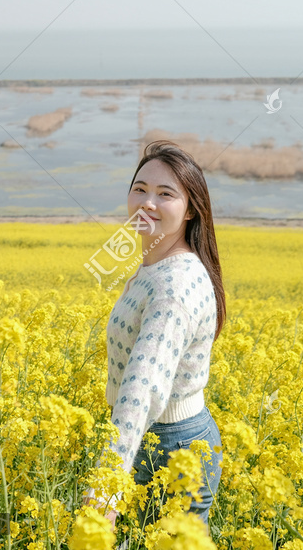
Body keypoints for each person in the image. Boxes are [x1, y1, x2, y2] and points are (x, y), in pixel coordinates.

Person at [82, 140, 227, 538]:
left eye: (165, 194)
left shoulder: (173, 287)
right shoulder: (155, 262)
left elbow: (141, 387)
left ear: (192, 208)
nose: (147, 202)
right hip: (161, 437)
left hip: (170, 448)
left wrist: (106, 489)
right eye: (140, 189)